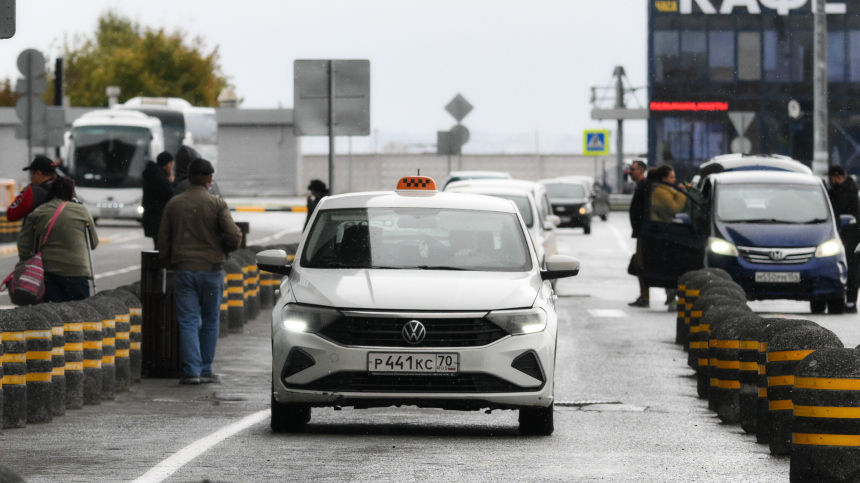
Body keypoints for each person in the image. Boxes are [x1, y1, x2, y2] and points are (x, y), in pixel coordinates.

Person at [158, 158, 242, 385]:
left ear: (188, 177)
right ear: (210, 179)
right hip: (212, 270)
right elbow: (234, 236)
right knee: (210, 319)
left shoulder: (174, 204)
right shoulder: (217, 204)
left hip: (184, 270)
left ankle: (192, 371)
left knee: (188, 321)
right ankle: (206, 368)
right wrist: (226, 251)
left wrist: (168, 263)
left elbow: (163, 240)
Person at [17, 177, 98, 303]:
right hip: (77, 270)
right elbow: (94, 243)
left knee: (54, 311)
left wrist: (26, 261)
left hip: (49, 271)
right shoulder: (82, 211)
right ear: (72, 192)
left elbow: (25, 245)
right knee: (80, 312)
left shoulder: (39, 212)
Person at [828, 165, 860, 313]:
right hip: (845, 236)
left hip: (849, 237)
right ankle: (848, 301)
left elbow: (836, 213)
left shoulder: (845, 193)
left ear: (838, 177)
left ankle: (850, 302)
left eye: (831, 178)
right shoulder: (845, 190)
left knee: (850, 268)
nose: (830, 181)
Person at [7, 155, 59, 222]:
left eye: (31, 174)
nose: (31, 179)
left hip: (40, 231)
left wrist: (23, 193)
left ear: (38, 173)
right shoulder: (66, 188)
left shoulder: (34, 191)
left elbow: (11, 214)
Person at [627, 160, 650, 308]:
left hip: (644, 232)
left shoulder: (645, 186)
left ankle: (645, 297)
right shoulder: (641, 186)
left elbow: (644, 210)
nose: (630, 172)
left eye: (632, 169)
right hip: (640, 232)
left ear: (641, 170)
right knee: (639, 264)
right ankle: (643, 295)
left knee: (641, 265)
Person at [142, 152, 175, 247]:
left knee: (157, 246)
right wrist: (171, 182)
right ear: (169, 164)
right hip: (160, 219)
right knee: (162, 248)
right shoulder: (161, 179)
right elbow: (171, 196)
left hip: (151, 218)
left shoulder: (150, 174)